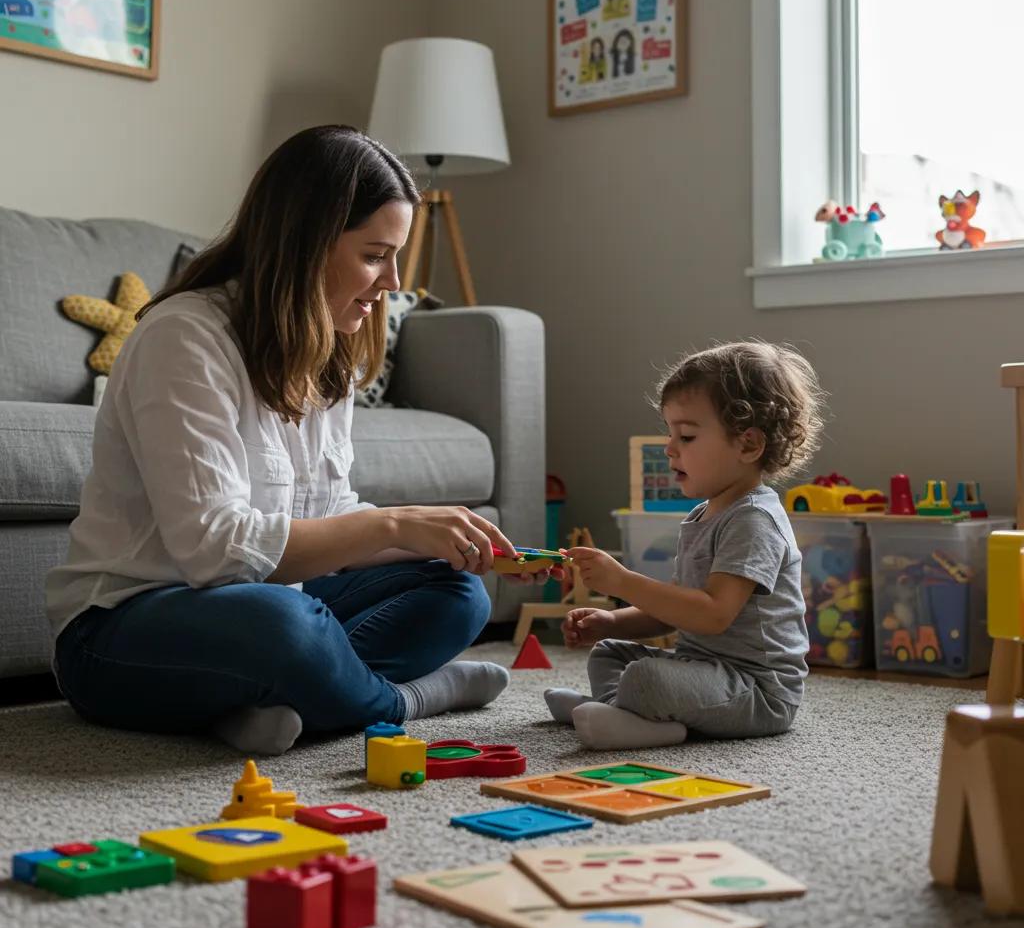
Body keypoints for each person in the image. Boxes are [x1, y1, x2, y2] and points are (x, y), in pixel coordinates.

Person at [46, 125, 556, 756]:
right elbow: (213, 550)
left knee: (457, 589)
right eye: (374, 256)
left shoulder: (326, 352)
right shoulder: (184, 337)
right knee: (283, 624)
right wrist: (394, 525)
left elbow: (330, 515)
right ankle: (405, 699)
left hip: (259, 608)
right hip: (121, 630)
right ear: (304, 245)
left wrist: (440, 538)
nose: (392, 282)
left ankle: (261, 703)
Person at [544, 341, 826, 749]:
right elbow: (675, 613)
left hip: (757, 692)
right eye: (670, 432)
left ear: (748, 445)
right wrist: (612, 622)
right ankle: (617, 712)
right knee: (609, 653)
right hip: (703, 670)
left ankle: (632, 720)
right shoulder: (703, 515)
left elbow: (711, 616)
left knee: (645, 677)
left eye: (688, 435)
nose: (670, 447)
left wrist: (621, 581)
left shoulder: (754, 520)